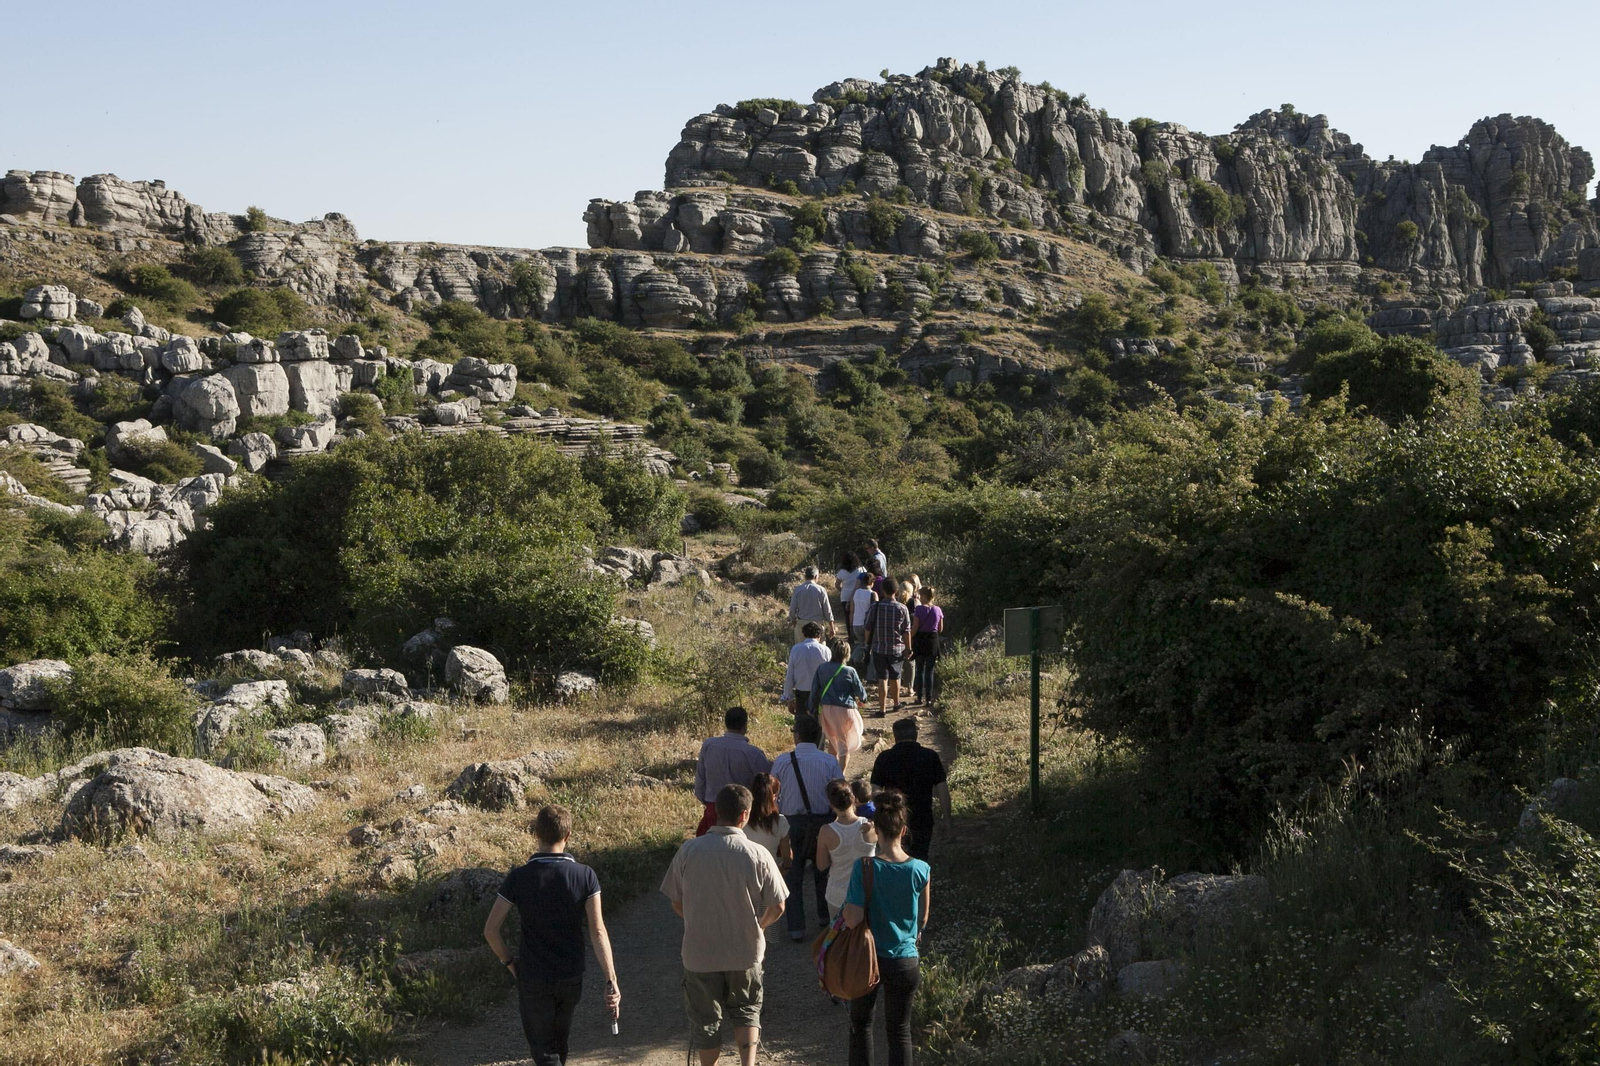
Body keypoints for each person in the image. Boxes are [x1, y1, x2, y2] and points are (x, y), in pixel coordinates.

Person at [662, 784, 789, 1066]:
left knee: (706, 1019)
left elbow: (675, 901)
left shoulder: (689, 851)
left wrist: (694, 918)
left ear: (716, 812)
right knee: (747, 1009)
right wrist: (761, 924)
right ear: (744, 815)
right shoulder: (757, 854)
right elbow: (778, 905)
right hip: (745, 949)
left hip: (699, 952)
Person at [485, 805, 621, 1066]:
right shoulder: (585, 876)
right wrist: (610, 979)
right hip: (570, 975)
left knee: (544, 1051)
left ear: (537, 833)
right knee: (560, 1044)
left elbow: (490, 930)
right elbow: (598, 930)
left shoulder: (518, 878)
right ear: (568, 835)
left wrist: (509, 962)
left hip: (533, 976)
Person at [842, 790, 931, 1066]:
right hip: (905, 960)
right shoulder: (921, 869)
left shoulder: (865, 867)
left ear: (875, 829)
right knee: (899, 1031)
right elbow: (922, 919)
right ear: (903, 830)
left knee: (861, 1025)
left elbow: (853, 918)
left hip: (868, 960)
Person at [771, 715, 843, 941]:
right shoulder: (829, 761)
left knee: (793, 875)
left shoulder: (782, 761)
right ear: (819, 736)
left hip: (790, 824)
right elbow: (840, 791)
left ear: (797, 735)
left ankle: (796, 928)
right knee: (823, 871)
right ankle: (824, 917)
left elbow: (772, 794)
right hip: (823, 822)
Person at [870, 718, 951, 863]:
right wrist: (947, 820)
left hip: (892, 819)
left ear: (895, 737)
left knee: (892, 859)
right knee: (920, 859)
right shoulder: (930, 756)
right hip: (922, 818)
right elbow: (943, 790)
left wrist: (878, 818)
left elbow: (875, 792)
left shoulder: (884, 758)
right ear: (916, 735)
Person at [693, 707, 772, 837]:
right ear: (745, 725)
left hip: (714, 806)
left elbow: (700, 778)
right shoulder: (753, 753)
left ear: (726, 722)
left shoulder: (709, 745)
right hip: (741, 812)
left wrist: (707, 801)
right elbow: (766, 784)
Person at [817, 779, 877, 925]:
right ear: (854, 799)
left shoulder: (826, 831)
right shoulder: (871, 827)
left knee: (840, 942)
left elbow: (821, 865)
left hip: (838, 894)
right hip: (867, 893)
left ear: (831, 805)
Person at [808, 638, 868, 776]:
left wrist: (811, 709)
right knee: (844, 744)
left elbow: (815, 690)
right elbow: (860, 691)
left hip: (827, 710)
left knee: (832, 741)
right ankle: (840, 776)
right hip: (844, 709)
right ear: (847, 653)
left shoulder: (821, 668)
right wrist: (863, 699)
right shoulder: (849, 671)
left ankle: (831, 773)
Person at [864, 586, 912, 717]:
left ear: (883, 591)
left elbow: (868, 627)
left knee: (882, 678)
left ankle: (882, 708)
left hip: (879, 648)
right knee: (895, 677)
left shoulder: (875, 607)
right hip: (897, 648)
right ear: (896, 591)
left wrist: (867, 643)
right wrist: (909, 648)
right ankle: (896, 704)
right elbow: (906, 631)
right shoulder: (902, 608)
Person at [744, 772, 791, 870]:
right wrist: (782, 867)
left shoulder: (742, 818)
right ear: (772, 796)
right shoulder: (780, 821)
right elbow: (787, 857)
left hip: (744, 871)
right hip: (768, 871)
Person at [782, 622, 832, 715]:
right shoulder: (826, 651)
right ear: (819, 635)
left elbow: (790, 675)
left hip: (802, 694)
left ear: (804, 634)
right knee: (819, 724)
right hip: (820, 694)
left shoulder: (796, 649)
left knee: (802, 724)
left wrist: (789, 698)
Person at [908, 586, 944, 707]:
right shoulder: (938, 610)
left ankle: (919, 697)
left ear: (923, 596)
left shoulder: (919, 609)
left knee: (920, 670)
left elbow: (915, 627)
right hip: (933, 641)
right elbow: (940, 628)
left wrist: (909, 638)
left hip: (920, 641)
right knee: (930, 670)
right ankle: (929, 699)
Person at [787, 565, 835, 644]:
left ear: (805, 576)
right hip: (817, 625)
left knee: (801, 650)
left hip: (801, 624)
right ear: (816, 576)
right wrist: (831, 627)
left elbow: (792, 610)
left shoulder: (798, 590)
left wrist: (794, 622)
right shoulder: (821, 590)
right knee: (820, 651)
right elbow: (827, 610)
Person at [850, 573, 880, 682]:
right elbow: (875, 611)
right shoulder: (873, 594)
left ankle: (853, 659)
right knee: (871, 648)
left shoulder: (856, 593)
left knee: (862, 645)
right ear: (871, 583)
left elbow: (852, 609)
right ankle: (871, 676)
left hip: (856, 624)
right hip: (867, 625)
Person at [835, 552, 866, 619]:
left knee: (847, 616)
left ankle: (849, 629)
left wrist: (842, 590)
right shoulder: (861, 569)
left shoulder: (841, 571)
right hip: (858, 595)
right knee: (858, 615)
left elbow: (837, 585)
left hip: (845, 596)